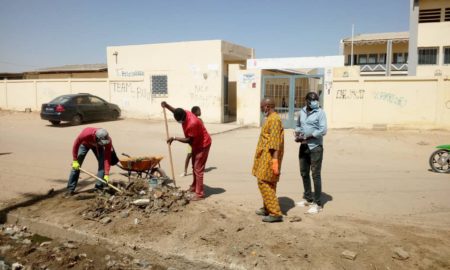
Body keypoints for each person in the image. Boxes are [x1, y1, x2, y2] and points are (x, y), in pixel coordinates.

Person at [161, 101, 212, 201]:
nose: (178, 123)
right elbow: (175, 111)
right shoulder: (183, 113)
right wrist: (166, 105)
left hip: (203, 144)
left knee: (198, 169)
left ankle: (199, 194)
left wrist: (174, 138)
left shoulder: (192, 123)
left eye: (178, 121)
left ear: (182, 119)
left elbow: (189, 140)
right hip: (196, 144)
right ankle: (194, 186)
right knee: (194, 167)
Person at [294, 92, 327, 214]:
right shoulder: (302, 111)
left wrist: (309, 136)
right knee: (304, 172)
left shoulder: (320, 112)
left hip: (315, 147)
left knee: (315, 174)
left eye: (316, 100)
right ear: (307, 100)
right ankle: (308, 198)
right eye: (313, 100)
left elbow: (323, 130)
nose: (315, 102)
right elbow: (298, 125)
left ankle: (317, 203)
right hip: (303, 146)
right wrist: (298, 134)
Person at [252, 98, 284, 223]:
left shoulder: (275, 119)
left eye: (262, 107)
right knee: (269, 182)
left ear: (267, 106)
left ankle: (275, 213)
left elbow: (275, 143)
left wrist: (275, 161)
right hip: (265, 155)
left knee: (263, 182)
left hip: (270, 156)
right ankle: (267, 208)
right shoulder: (270, 118)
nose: (261, 109)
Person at [66, 127, 118, 196]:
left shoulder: (108, 141)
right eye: (102, 143)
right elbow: (76, 145)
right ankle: (70, 189)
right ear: (96, 138)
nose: (103, 144)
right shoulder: (86, 134)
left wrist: (106, 174)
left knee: (102, 165)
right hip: (84, 144)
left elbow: (107, 158)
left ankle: (98, 187)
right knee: (76, 166)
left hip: (98, 148)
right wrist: (75, 160)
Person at [181, 106, 202, 177]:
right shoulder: (191, 121)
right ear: (195, 112)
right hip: (192, 141)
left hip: (199, 142)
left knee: (198, 156)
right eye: (199, 110)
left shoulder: (200, 120)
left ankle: (197, 169)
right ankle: (185, 171)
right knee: (189, 155)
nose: (200, 112)